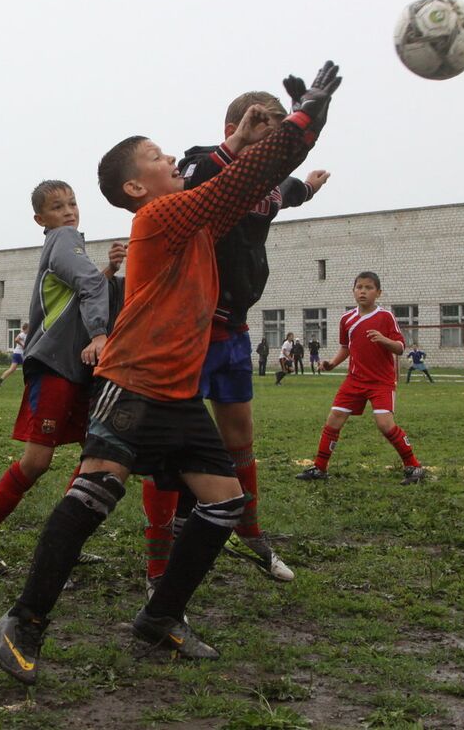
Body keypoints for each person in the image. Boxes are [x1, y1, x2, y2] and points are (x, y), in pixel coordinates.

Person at [0, 61, 341, 685]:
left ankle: (160, 619)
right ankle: (24, 620)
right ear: (135, 189)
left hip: (178, 396)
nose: (172, 159)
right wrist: (304, 116)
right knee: (91, 499)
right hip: (131, 384)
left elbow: (253, 184)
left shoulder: (199, 218)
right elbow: (239, 176)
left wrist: (278, 135)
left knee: (224, 503)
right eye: (157, 157)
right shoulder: (161, 217)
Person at [142, 88, 332, 590]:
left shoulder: (266, 182)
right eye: (263, 136)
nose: (271, 150)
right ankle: (158, 568)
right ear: (236, 128)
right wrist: (248, 142)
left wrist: (307, 187)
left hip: (235, 332)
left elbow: (284, 192)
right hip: (193, 331)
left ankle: (250, 536)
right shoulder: (203, 164)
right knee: (165, 452)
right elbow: (199, 178)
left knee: (240, 441)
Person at [0, 180, 126, 577]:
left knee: (92, 456)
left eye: (72, 203)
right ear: (41, 219)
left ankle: (63, 542)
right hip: (55, 366)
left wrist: (107, 269)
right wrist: (102, 333)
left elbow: (78, 293)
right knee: (37, 461)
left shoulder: (73, 247)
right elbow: (87, 288)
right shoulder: (62, 240)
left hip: (77, 367)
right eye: (57, 206)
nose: (68, 211)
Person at [296, 271, 425, 485]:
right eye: (359, 287)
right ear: (353, 291)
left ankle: (414, 467)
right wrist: (331, 364)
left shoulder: (385, 317)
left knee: (384, 424)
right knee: (334, 419)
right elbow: (346, 348)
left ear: (378, 293)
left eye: (368, 287)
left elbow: (400, 348)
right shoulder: (347, 319)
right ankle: (319, 468)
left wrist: (384, 340)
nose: (363, 291)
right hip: (354, 380)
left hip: (381, 382)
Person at [0, 323, 28, 388]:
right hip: (20, 354)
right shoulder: (23, 334)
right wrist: (23, 345)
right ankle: (27, 384)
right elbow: (16, 339)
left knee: (12, 369)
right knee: (27, 369)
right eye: (29, 328)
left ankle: (0, 380)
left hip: (16, 353)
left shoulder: (26, 335)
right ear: (26, 328)